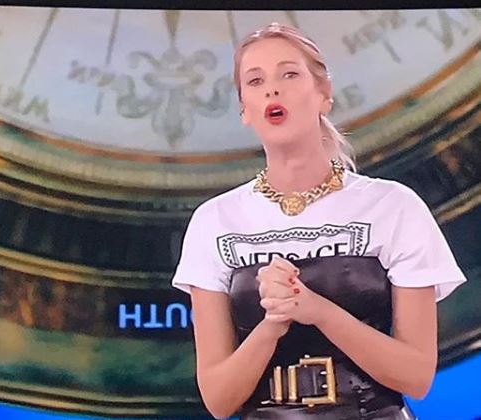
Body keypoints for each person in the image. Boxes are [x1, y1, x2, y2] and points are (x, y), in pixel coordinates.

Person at [171, 22, 467, 420]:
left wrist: (318, 310)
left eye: (289, 75)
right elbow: (219, 400)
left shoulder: (393, 206)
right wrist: (273, 322)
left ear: (324, 94)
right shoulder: (215, 220)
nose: (272, 90)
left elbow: (416, 377)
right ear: (244, 110)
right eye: (255, 81)